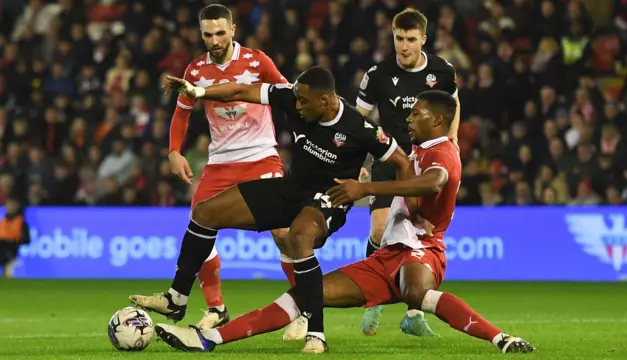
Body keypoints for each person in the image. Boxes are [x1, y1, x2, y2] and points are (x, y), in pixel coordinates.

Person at [152, 91, 534, 354]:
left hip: (422, 249)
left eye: (416, 113)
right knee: (305, 293)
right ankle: (208, 340)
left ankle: (500, 339)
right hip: (385, 258)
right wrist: (366, 179)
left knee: (416, 292)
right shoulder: (421, 147)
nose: (409, 116)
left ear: (436, 120)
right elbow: (408, 178)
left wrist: (361, 190)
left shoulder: (445, 155)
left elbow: (434, 183)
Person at [131, 66, 414, 353]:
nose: (298, 105)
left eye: (304, 101)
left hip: (329, 198)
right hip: (290, 190)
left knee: (298, 239)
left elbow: (403, 163)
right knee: (204, 213)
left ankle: (316, 333)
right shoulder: (292, 97)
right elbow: (240, 90)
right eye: (297, 99)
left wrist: (397, 206)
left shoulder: (360, 128)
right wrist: (199, 92)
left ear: (326, 101)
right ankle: (177, 297)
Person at [133, 4, 293, 330]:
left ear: (233, 30)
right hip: (220, 162)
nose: (215, 40)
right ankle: (216, 309)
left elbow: (289, 95)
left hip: (261, 156)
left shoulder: (257, 61)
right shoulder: (194, 71)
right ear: (201, 33)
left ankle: (302, 308)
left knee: (283, 233)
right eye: (208, 34)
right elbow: (181, 113)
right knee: (200, 226)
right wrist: (174, 151)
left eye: (221, 33)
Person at [354, 8, 462, 337]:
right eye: (399, 38)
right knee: (378, 230)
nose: (404, 45)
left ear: (423, 40)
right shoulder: (378, 74)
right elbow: (360, 119)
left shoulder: (442, 71)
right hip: (390, 158)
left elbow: (453, 106)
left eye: (411, 39)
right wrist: (359, 161)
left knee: (421, 235)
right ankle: (374, 300)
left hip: (426, 159)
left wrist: (453, 143)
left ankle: (414, 312)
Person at [0, 197, 30, 278]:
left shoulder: (21, 222)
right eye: (8, 205)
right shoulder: (3, 221)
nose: (10, 207)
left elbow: (26, 240)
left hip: (11, 249)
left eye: (12, 205)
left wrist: (14, 242)